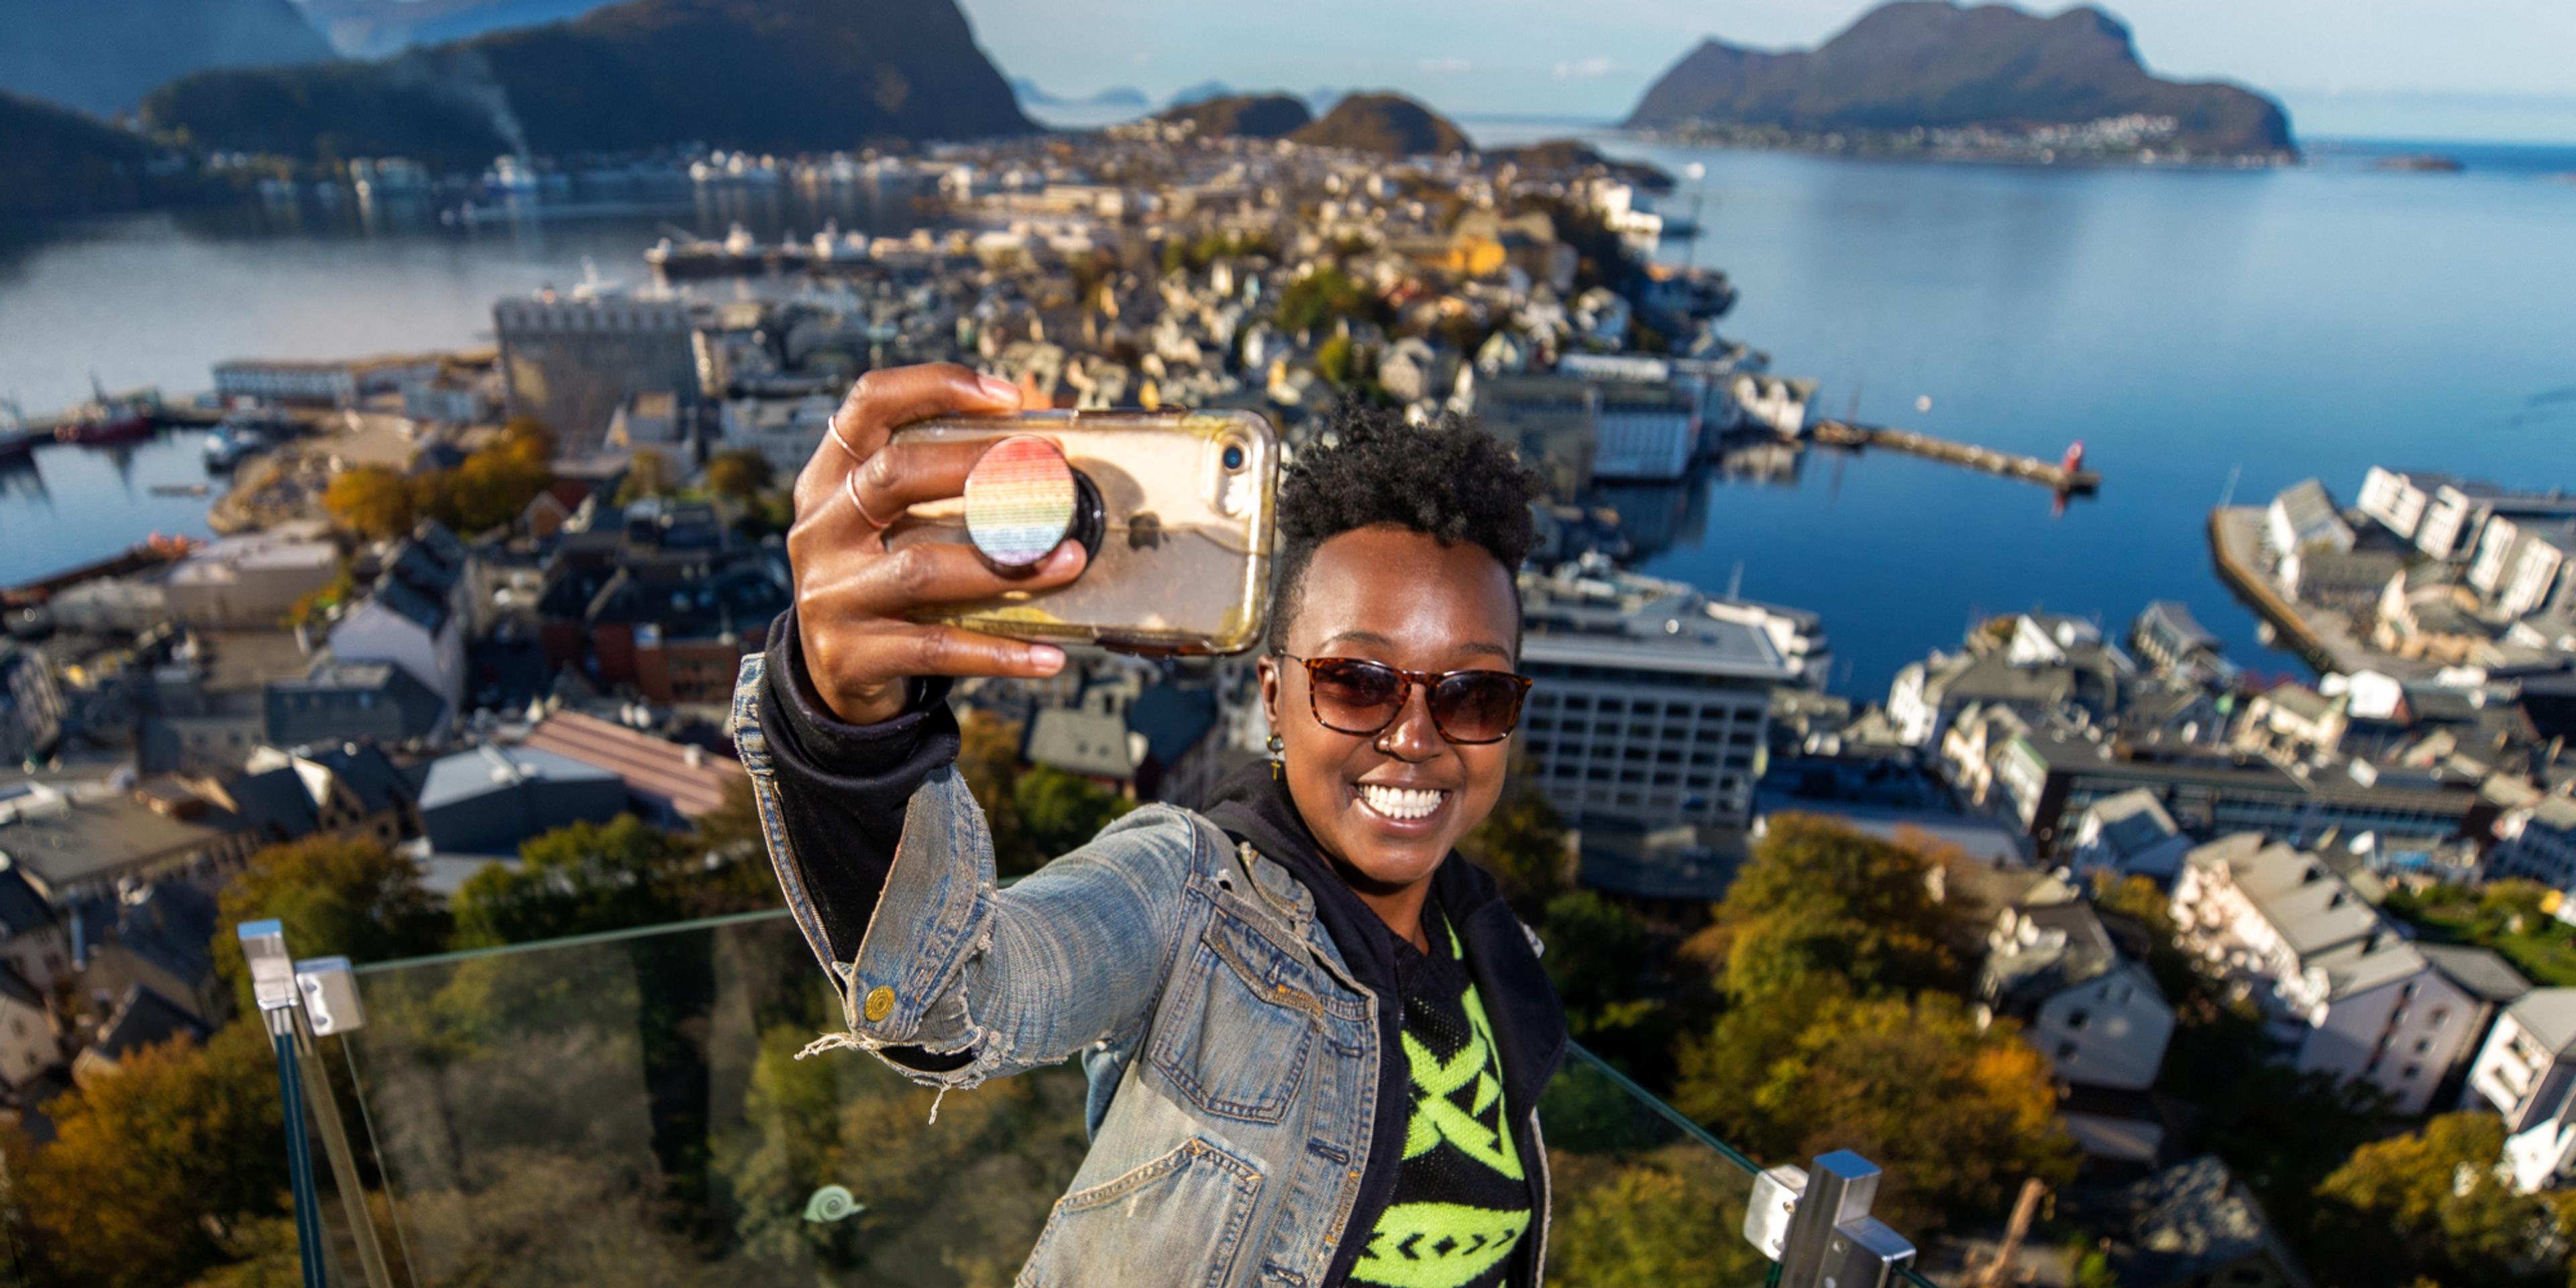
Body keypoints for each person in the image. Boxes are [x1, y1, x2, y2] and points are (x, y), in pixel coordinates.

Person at [730, 363, 1566, 1288]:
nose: (1415, 737)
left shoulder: (1495, 949)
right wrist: (848, 731)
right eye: (1357, 682)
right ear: (1273, 700)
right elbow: (962, 998)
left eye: (1473, 693)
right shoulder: (1188, 895)